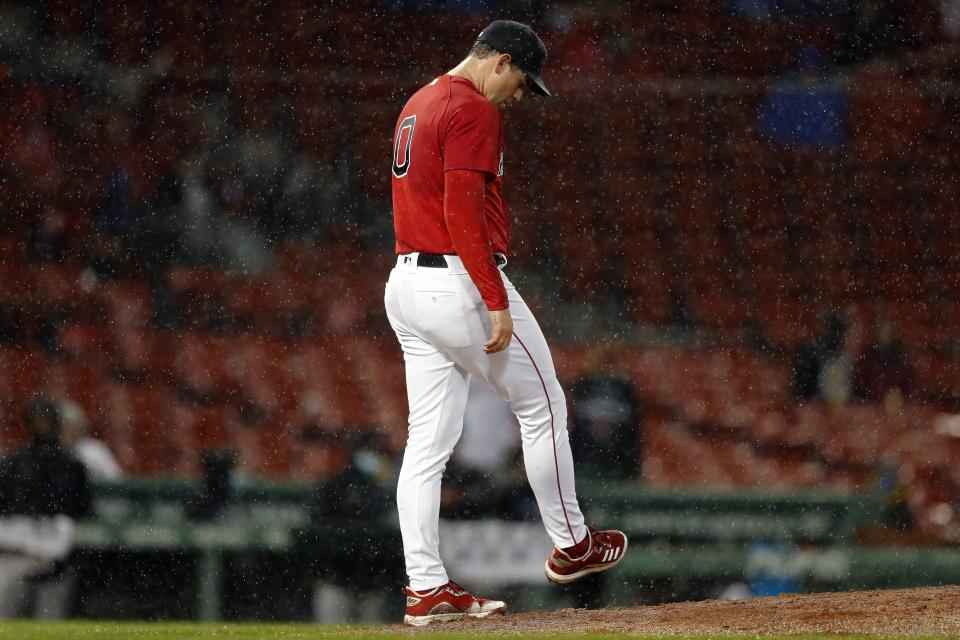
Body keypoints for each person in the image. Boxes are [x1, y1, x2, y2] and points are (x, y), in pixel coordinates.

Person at [384, 20, 627, 626]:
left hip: (406, 283)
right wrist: (492, 297)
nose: (521, 95)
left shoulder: (420, 100)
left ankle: (426, 586)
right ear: (499, 60)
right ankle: (573, 544)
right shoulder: (471, 108)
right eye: (522, 79)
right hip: (458, 280)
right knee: (543, 407)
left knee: (427, 447)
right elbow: (460, 206)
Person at [0, 398, 92, 618]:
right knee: (5, 615)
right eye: (38, 421)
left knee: (49, 619)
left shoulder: (72, 466)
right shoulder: (14, 464)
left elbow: (83, 508)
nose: (43, 427)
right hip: (14, 553)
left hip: (57, 555)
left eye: (48, 421)